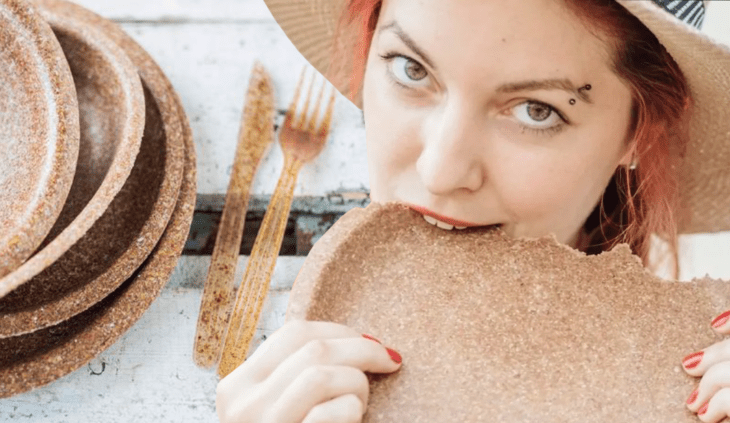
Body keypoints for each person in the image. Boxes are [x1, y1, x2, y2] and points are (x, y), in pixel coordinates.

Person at [216, 0, 730, 421]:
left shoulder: (697, 386)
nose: (439, 171)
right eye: (410, 69)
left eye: (536, 110)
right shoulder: (289, 386)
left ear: (644, 133)